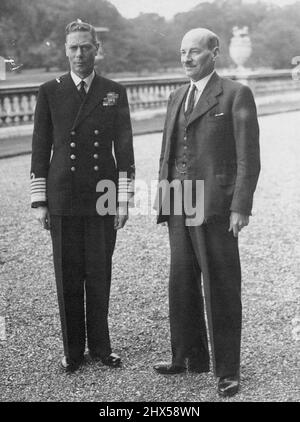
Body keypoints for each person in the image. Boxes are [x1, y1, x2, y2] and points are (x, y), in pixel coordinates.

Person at [154, 28, 260, 397]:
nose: (186, 59)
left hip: (214, 208)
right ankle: (188, 356)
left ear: (214, 53)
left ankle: (227, 369)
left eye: (195, 52)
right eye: (183, 51)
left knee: (221, 287)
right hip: (179, 204)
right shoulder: (176, 95)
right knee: (181, 284)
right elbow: (168, 151)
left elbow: (249, 158)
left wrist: (240, 207)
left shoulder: (235, 94)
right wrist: (164, 202)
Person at [30, 20, 134, 373]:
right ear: (65, 50)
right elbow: (39, 149)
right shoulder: (50, 90)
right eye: (73, 47)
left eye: (85, 47)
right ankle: (73, 351)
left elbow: (125, 152)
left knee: (100, 273)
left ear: (96, 49)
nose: (79, 54)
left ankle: (102, 347)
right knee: (67, 275)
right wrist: (40, 200)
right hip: (62, 197)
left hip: (102, 197)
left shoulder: (114, 91)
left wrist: (123, 200)